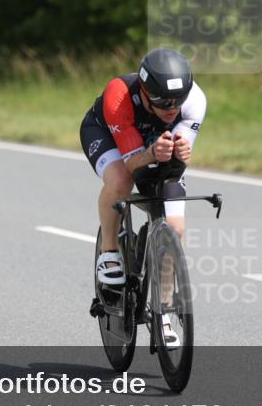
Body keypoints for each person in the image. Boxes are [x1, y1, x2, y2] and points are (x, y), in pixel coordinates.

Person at [79, 48, 206, 341]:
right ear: (146, 93)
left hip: (151, 144)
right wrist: (150, 153)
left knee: (174, 226)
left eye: (178, 102)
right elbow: (131, 162)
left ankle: (162, 310)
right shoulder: (119, 95)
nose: (171, 108)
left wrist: (180, 151)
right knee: (122, 181)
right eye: (162, 102)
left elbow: (176, 158)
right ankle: (109, 251)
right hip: (107, 134)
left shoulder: (195, 99)